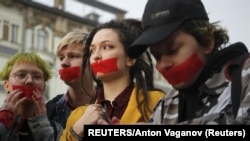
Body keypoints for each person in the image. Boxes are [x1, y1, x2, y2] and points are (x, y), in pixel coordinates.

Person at [99, 0, 250, 125]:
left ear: (207, 42)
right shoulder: (167, 104)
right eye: (157, 56)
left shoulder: (244, 76)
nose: (163, 65)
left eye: (173, 50)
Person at [59, 19, 165, 140]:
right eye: (92, 50)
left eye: (107, 47)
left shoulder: (157, 102)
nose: (96, 55)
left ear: (130, 58)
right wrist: (75, 133)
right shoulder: (77, 116)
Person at [0, 52, 63, 141]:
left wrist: (43, 127)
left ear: (43, 88)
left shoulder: (56, 130)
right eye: (21, 75)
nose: (29, 81)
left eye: (36, 77)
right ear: (6, 85)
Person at [46, 29, 95, 129]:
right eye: (61, 57)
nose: (64, 63)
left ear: (91, 60)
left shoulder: (111, 105)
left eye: (73, 56)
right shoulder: (49, 110)